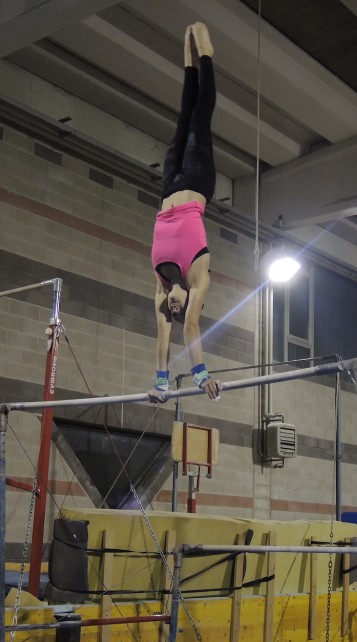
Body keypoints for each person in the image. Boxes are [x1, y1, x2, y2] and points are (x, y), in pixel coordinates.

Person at [149, 22, 221, 402]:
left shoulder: (161, 283)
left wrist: (161, 382)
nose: (175, 312)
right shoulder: (198, 279)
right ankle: (207, 55)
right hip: (196, 179)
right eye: (181, 311)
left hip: (168, 184)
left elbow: (163, 335)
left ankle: (189, 61)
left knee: (182, 115)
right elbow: (190, 328)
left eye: (172, 312)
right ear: (190, 304)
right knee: (200, 114)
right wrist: (200, 374)